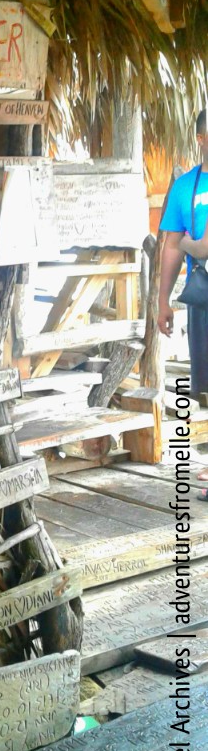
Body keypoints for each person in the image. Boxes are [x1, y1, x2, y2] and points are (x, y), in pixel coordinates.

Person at [158, 109, 208, 485]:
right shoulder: (184, 187)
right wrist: (163, 301)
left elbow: (194, 246)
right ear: (201, 139)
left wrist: (194, 244)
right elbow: (171, 248)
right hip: (203, 298)